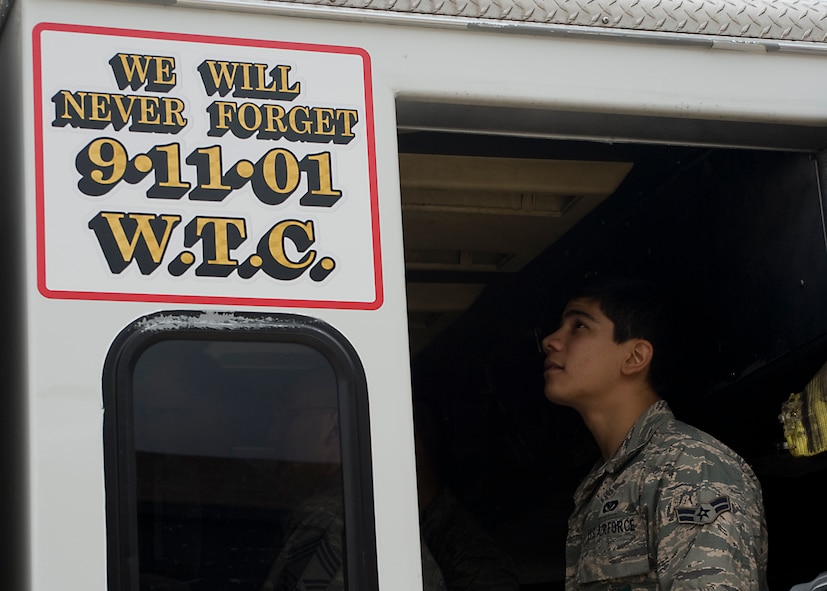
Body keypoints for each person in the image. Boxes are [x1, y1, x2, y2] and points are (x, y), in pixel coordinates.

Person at [540, 275, 768, 590]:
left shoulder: (690, 465)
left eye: (579, 326)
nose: (550, 340)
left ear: (634, 357)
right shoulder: (605, 482)